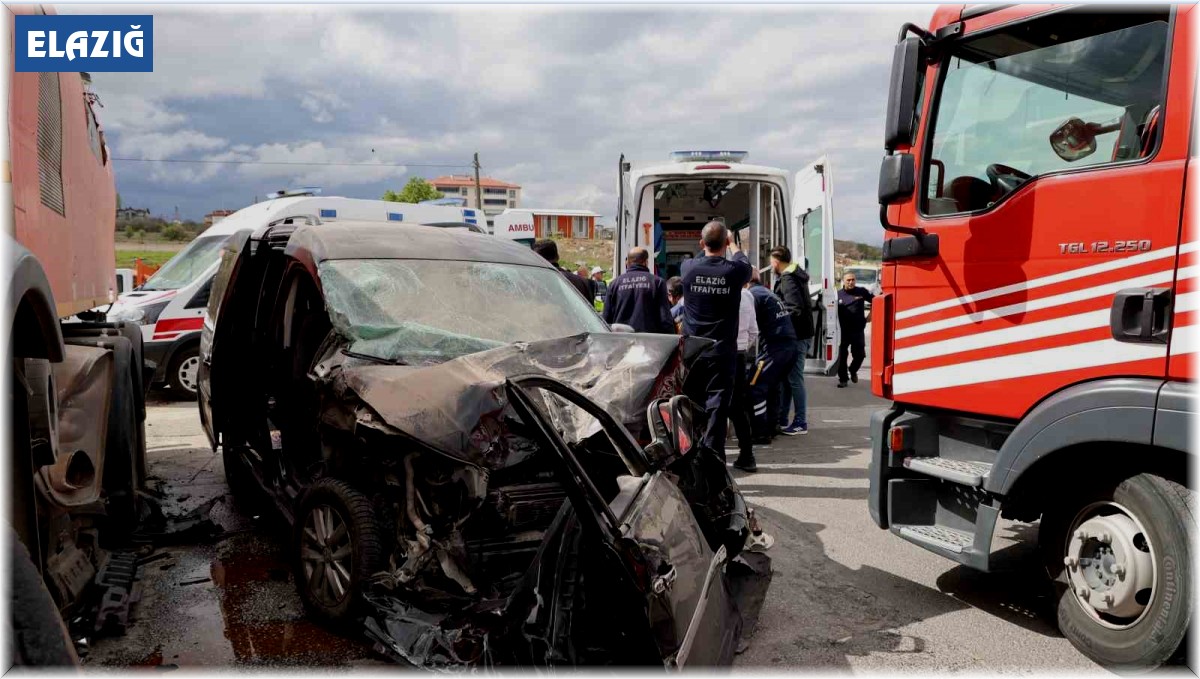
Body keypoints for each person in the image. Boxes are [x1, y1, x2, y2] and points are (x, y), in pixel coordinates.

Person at [681, 221, 752, 456]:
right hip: (721, 352)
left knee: (690, 402)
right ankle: (712, 456)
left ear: (702, 244)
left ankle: (689, 451)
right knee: (718, 405)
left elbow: (706, 252)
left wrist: (712, 243)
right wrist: (732, 245)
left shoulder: (688, 267)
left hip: (692, 350)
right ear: (726, 243)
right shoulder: (734, 271)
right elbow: (744, 262)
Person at [741, 268, 798, 471]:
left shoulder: (753, 295)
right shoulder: (767, 293)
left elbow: (747, 321)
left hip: (775, 348)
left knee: (755, 386)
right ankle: (772, 426)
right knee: (772, 386)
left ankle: (760, 433)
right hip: (788, 346)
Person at [769, 246, 815, 436]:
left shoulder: (788, 279)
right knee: (788, 380)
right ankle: (782, 419)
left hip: (796, 336)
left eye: (771, 261)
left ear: (777, 261)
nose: (770, 265)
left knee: (794, 380)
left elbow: (794, 309)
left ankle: (800, 422)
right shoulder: (795, 275)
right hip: (801, 334)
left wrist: (779, 323)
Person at [603, 247, 675, 333]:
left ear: (627, 262)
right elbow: (665, 318)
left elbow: (606, 318)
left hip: (622, 340)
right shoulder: (657, 282)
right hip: (649, 341)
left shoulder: (614, 284)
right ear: (646, 262)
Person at [729, 282, 758, 471]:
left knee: (711, 406)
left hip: (715, 353)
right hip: (738, 355)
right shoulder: (747, 295)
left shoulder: (717, 292)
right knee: (738, 408)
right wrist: (742, 348)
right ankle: (747, 455)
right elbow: (754, 331)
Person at [836, 271, 874, 387]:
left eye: (853, 279)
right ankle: (843, 379)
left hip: (857, 330)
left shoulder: (861, 291)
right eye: (848, 280)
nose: (851, 282)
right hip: (842, 331)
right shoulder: (837, 295)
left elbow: (877, 301)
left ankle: (852, 370)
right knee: (842, 356)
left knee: (860, 355)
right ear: (843, 281)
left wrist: (870, 316)